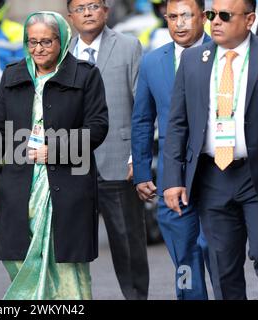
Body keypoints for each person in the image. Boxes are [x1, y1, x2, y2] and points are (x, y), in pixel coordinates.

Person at [0, 11, 108, 300]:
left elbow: (98, 128)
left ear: (62, 41)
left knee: (66, 263)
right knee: (21, 260)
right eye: (32, 42)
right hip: (20, 184)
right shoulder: (13, 75)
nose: (38, 49)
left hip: (69, 184)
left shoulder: (85, 75)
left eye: (46, 42)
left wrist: (56, 150)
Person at [163, 0, 258, 300]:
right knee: (222, 266)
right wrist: (172, 179)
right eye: (211, 15)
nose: (214, 22)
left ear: (249, 19)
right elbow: (178, 123)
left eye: (225, 15)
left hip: (256, 176)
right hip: (212, 176)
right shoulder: (194, 60)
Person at [132, 0, 214, 300]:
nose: (179, 23)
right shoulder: (152, 62)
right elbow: (141, 120)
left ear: (203, 17)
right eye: (172, 17)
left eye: (186, 16)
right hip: (172, 177)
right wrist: (141, 172)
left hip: (217, 172)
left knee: (214, 252)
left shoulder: (223, 54)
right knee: (184, 259)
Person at [68, 0, 149, 300]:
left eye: (93, 5)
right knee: (71, 244)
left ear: (106, 10)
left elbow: (142, 105)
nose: (87, 12)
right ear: (70, 16)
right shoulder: (62, 52)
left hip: (118, 160)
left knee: (128, 244)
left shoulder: (129, 46)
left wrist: (136, 157)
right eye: (80, 8)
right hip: (72, 163)